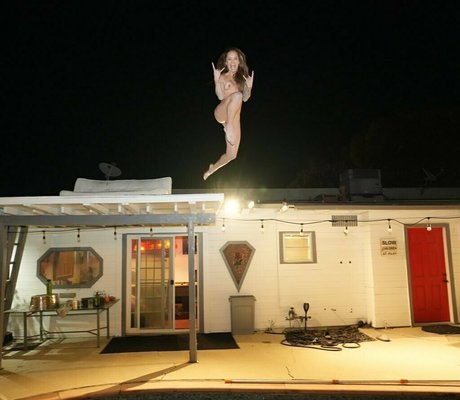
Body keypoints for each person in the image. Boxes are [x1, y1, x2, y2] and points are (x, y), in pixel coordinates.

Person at [203, 47, 254, 180]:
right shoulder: (222, 77)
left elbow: (245, 98)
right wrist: (216, 79)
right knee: (237, 96)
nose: (232, 62)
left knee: (232, 155)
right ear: (226, 63)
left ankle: (212, 169)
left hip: (234, 117)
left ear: (239, 62)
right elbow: (220, 96)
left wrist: (249, 87)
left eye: (235, 59)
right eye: (229, 59)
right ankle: (229, 127)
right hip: (221, 113)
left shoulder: (241, 80)